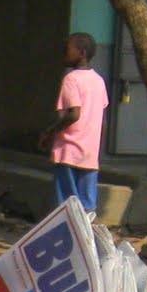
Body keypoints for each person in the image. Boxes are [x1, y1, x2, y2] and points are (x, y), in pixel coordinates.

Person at [38, 31, 109, 214]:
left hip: (69, 151)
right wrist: (97, 149)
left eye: (67, 49)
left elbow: (73, 114)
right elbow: (102, 118)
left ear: (82, 53)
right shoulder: (99, 81)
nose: (63, 53)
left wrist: (49, 132)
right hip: (89, 154)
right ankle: (85, 240)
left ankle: (71, 240)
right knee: (87, 207)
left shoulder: (71, 79)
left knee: (67, 207)